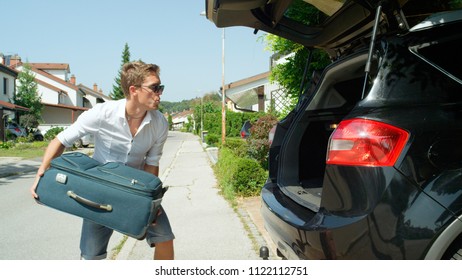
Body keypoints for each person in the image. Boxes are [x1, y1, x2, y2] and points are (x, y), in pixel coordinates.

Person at [30, 61, 174, 260]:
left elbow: (152, 163)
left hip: (134, 192)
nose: (160, 93)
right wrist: (41, 175)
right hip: (100, 191)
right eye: (155, 88)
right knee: (91, 256)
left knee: (164, 237)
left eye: (161, 87)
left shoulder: (159, 123)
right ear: (134, 90)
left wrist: (151, 202)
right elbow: (60, 140)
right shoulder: (102, 114)